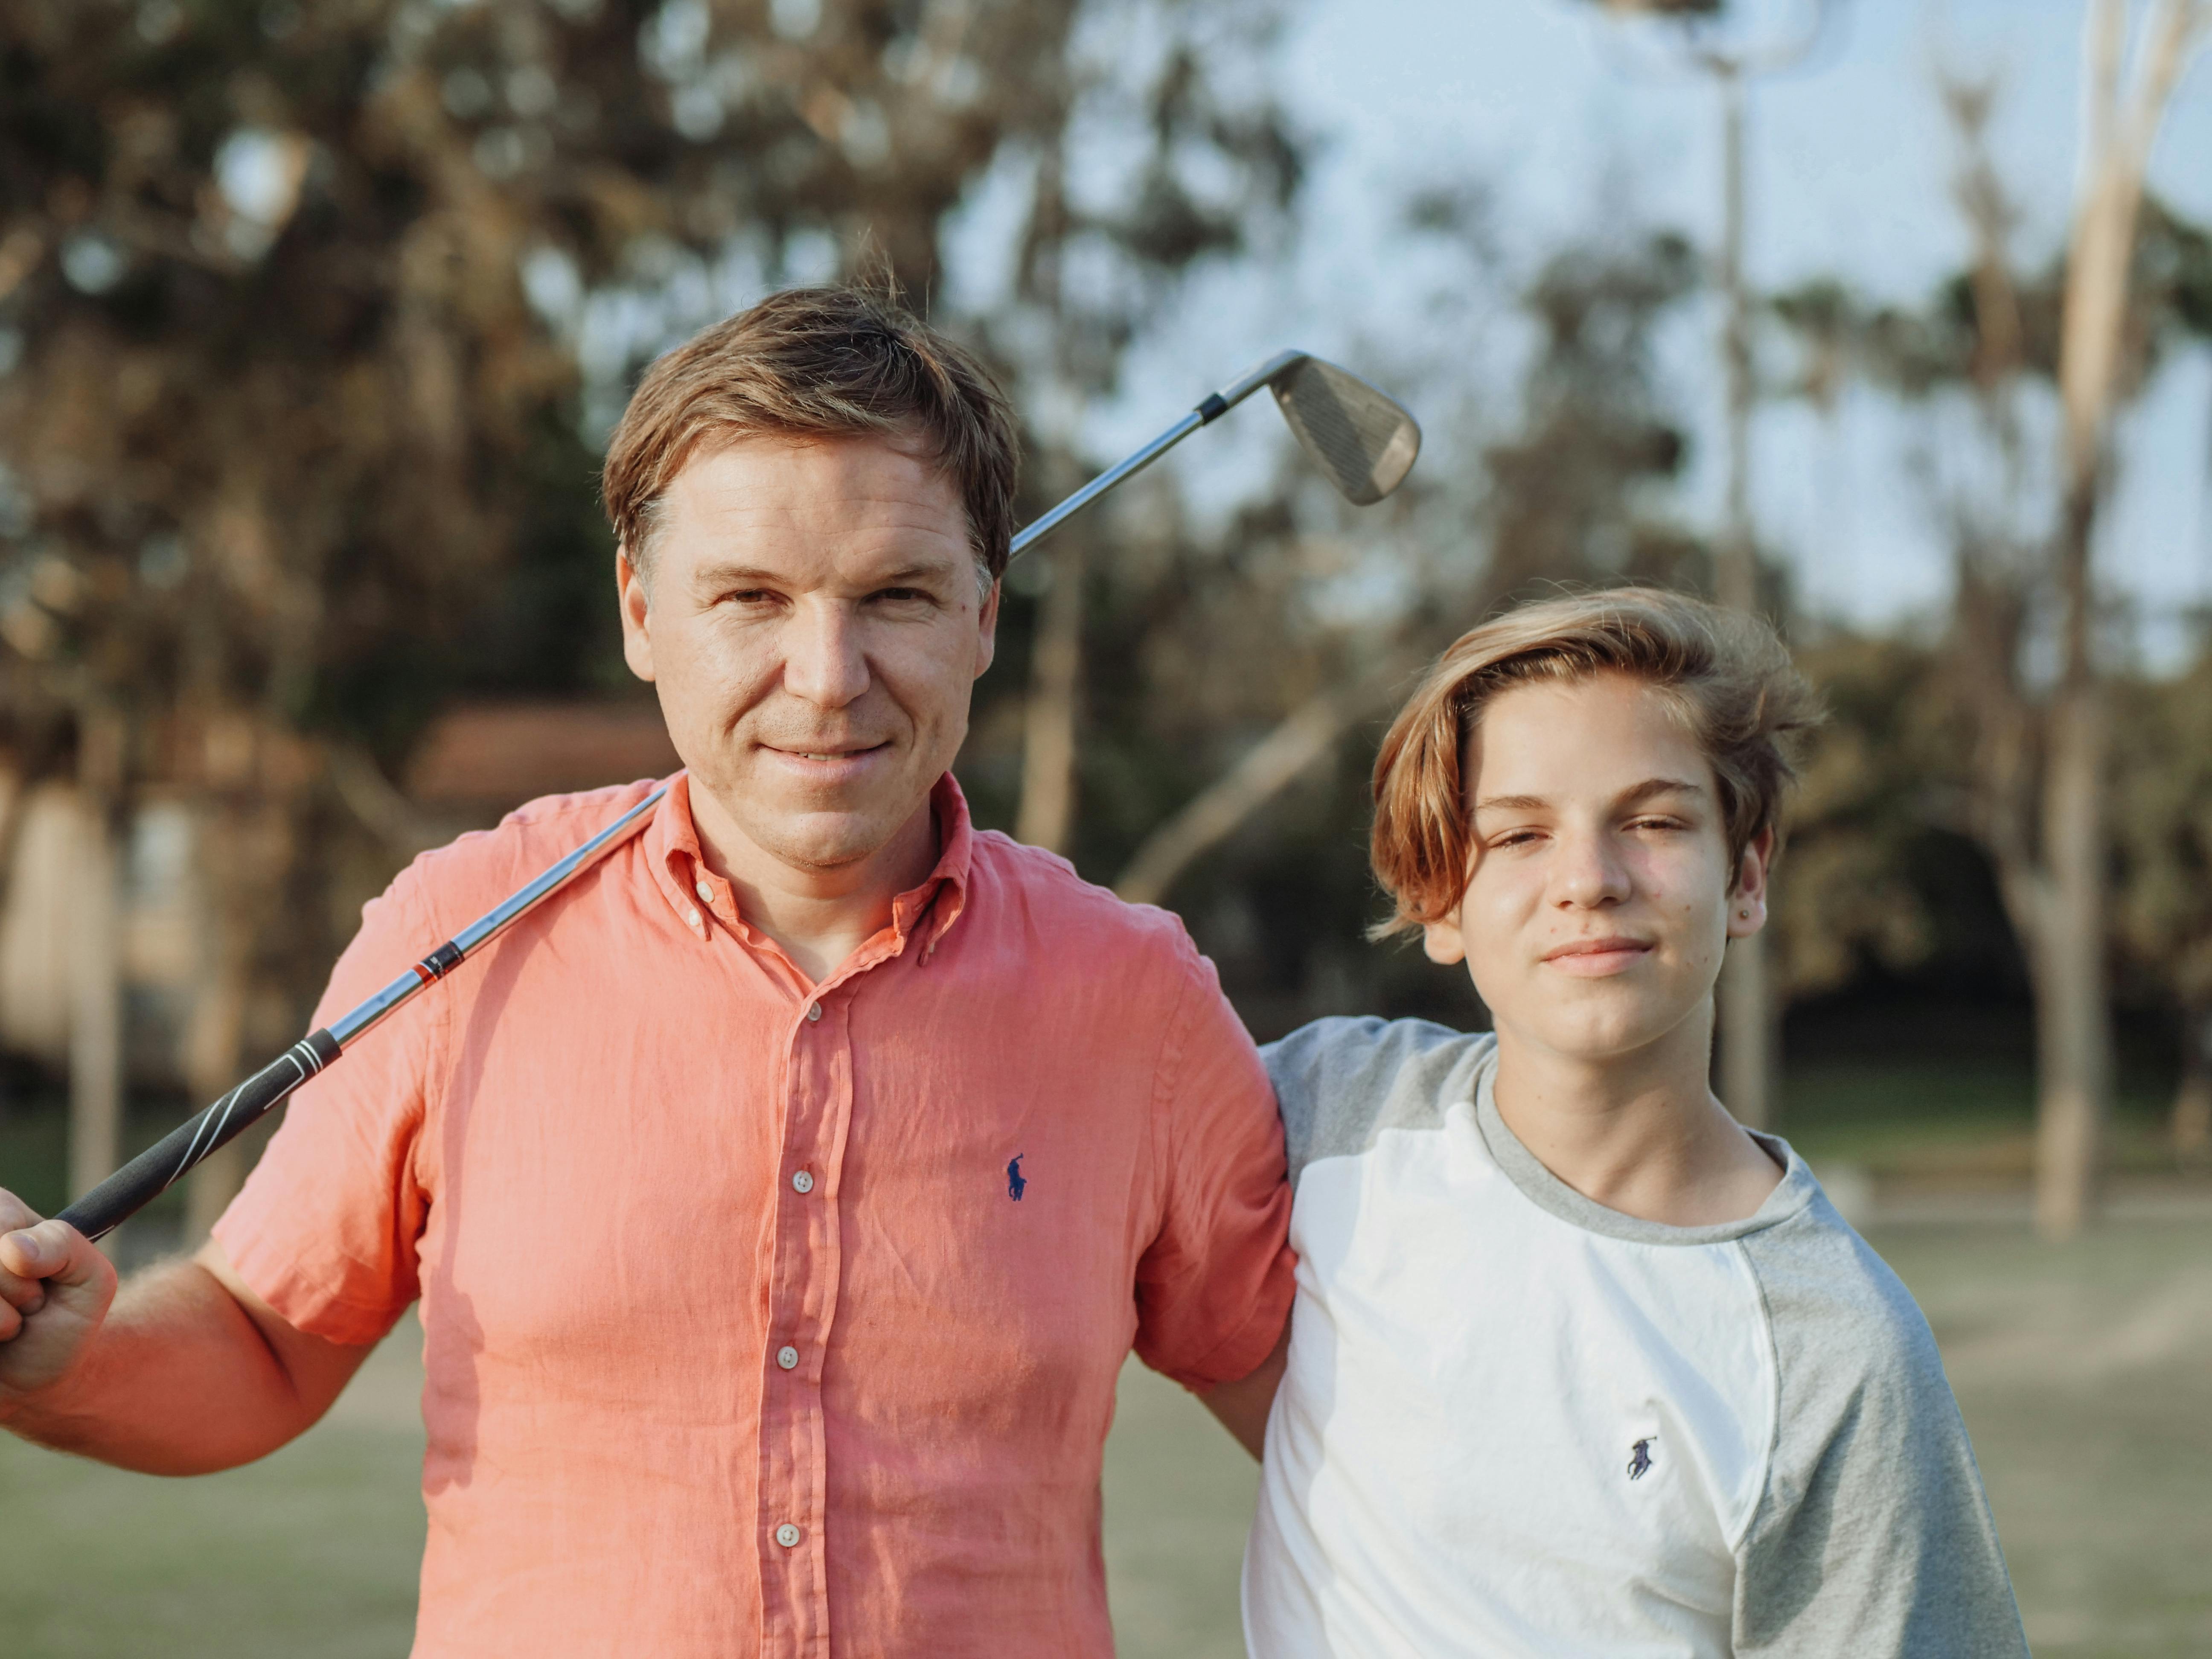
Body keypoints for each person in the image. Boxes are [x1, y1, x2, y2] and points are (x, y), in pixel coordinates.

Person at [0, 285, 1293, 1658]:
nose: (827, 675)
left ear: (984, 615)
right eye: (751, 598)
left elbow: (1314, 1411)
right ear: (638, 610)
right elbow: (265, 1346)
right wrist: (64, 1358)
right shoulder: (460, 928)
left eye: (896, 596)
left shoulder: (1136, 996)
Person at [1241, 590, 2030, 1657]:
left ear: (1745, 877)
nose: (1590, 882)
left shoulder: (1832, 1348)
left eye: (1653, 822)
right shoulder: (1329, 1111)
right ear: (1439, 902)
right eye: (1519, 834)